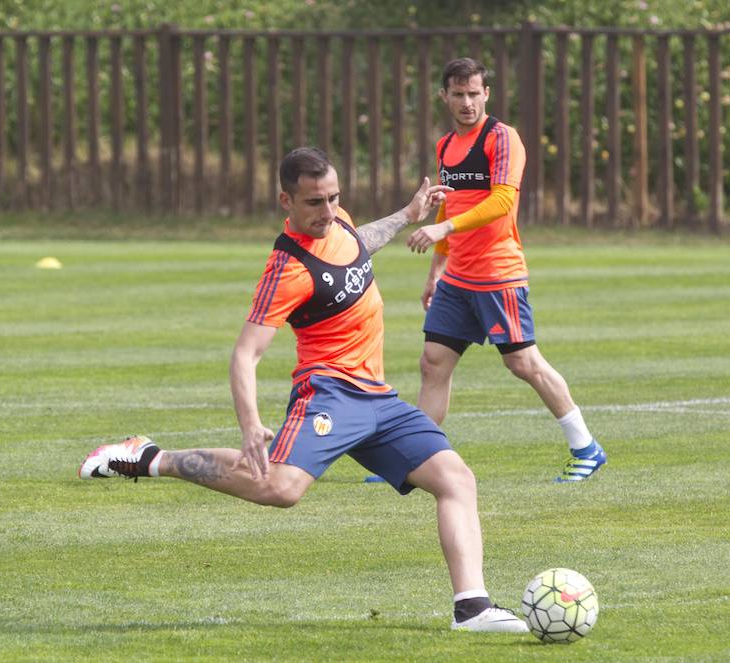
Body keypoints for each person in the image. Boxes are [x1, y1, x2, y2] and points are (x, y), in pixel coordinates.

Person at [78, 147, 528, 633]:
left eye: (334, 198)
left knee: (456, 478)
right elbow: (245, 355)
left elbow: (358, 244)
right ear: (286, 201)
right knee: (280, 488)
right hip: (329, 394)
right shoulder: (286, 269)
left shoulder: (337, 222)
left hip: (378, 397)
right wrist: (250, 424)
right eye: (315, 202)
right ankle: (150, 457)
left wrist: (405, 215)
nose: (328, 212)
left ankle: (472, 608)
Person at [406, 58, 607, 482]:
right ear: (444, 96)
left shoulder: (503, 138)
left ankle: (586, 447)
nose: (467, 102)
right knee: (433, 361)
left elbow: (501, 202)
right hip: (458, 277)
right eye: (458, 94)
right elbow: (451, 204)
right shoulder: (445, 146)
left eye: (474, 93)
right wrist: (436, 269)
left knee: (523, 364)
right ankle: (418, 459)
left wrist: (443, 225)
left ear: (487, 94)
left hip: (498, 274)